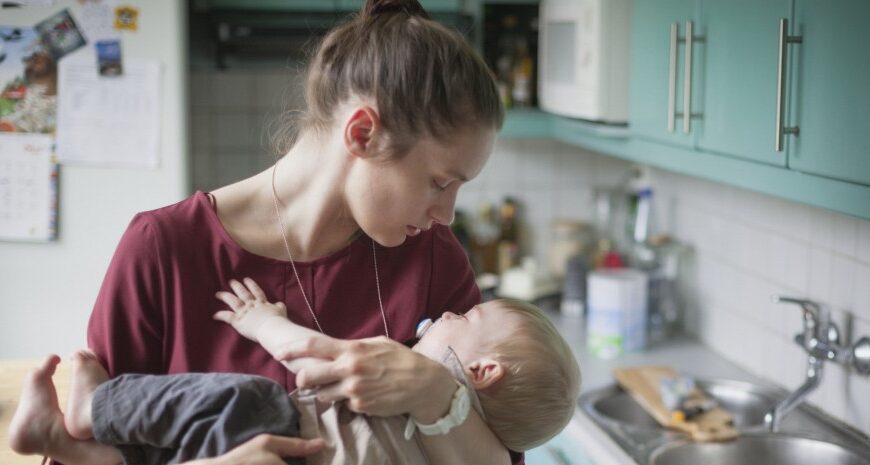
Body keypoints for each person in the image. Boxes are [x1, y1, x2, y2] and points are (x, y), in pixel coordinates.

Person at [54, 0, 513, 463]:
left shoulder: (432, 258)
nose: (448, 214)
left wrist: (436, 393)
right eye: (439, 182)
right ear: (362, 134)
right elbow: (91, 445)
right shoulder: (163, 249)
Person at [9, 278, 581, 465]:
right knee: (181, 439)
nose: (454, 309)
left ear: (481, 372)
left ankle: (93, 410)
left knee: (247, 398)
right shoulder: (464, 448)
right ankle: (71, 444)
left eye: (468, 316)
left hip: (286, 438)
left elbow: (313, 359)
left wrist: (262, 323)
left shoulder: (414, 375)